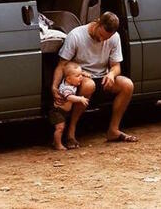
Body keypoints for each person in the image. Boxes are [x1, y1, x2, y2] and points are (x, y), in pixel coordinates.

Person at [51, 11, 137, 147]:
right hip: (81, 78)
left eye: (107, 38)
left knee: (127, 85)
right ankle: (71, 132)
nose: (102, 40)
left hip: (102, 78)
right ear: (97, 23)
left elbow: (116, 66)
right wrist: (54, 87)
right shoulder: (76, 35)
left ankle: (113, 130)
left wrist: (111, 74)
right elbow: (62, 65)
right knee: (89, 85)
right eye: (101, 35)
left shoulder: (115, 38)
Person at [49, 61, 90, 151]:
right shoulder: (66, 88)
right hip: (58, 112)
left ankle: (56, 141)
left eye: (81, 75)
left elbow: (76, 74)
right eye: (78, 76)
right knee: (60, 128)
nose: (80, 78)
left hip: (64, 112)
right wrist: (80, 99)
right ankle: (58, 144)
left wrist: (83, 74)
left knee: (61, 127)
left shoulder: (70, 82)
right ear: (68, 79)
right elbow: (69, 97)